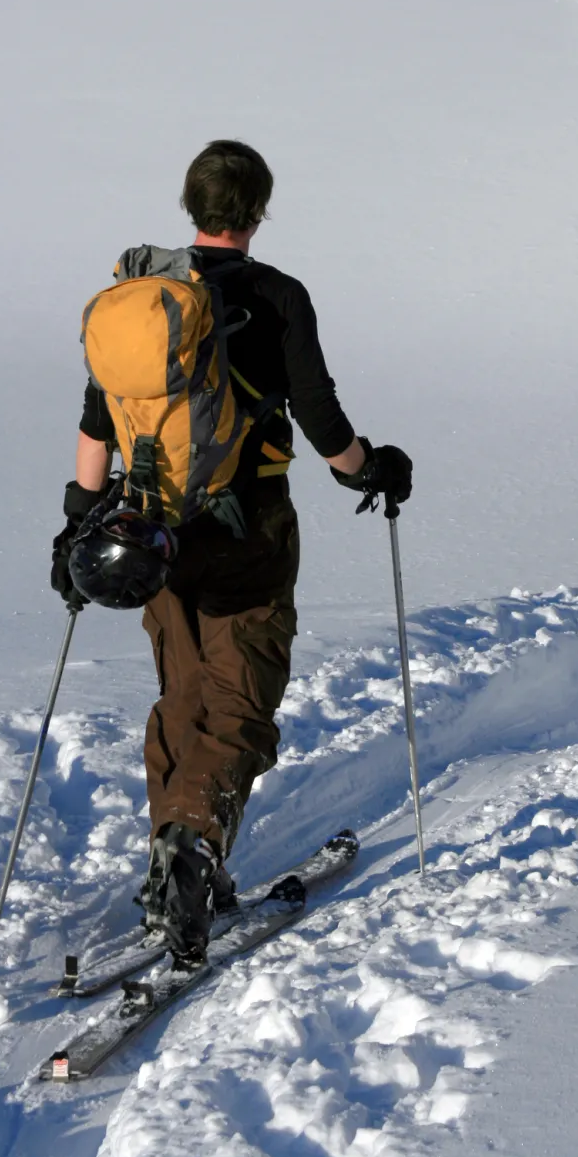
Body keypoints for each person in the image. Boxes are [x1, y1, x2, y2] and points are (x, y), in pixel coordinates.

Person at [50, 139, 412, 959]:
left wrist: (78, 522)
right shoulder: (277, 296)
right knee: (241, 696)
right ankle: (193, 846)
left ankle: (171, 858)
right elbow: (325, 428)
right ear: (257, 211)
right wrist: (375, 469)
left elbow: (95, 424)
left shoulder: (146, 302)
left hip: (152, 534)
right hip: (250, 528)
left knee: (182, 690)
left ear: (193, 206)